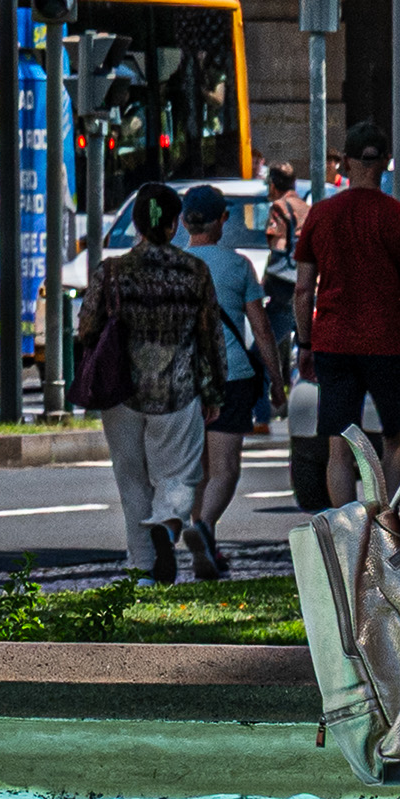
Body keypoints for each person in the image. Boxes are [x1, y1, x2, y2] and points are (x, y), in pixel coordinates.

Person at [81, 186, 227, 578]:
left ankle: (143, 567)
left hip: (122, 392)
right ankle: (167, 523)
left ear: (137, 223)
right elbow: (210, 335)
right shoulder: (195, 271)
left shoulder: (112, 271)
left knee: (131, 483)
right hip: (178, 391)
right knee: (179, 475)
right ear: (176, 222)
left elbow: (86, 328)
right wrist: (214, 390)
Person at [299, 122, 400, 466]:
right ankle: (388, 518)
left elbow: (303, 290)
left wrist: (304, 345)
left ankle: (345, 518)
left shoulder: (321, 214)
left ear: (346, 163)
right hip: (388, 343)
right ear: (387, 162)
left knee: (340, 442)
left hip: (333, 342)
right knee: (396, 436)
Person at [185, 183, 270, 559]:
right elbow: (263, 330)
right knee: (226, 469)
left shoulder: (175, 265)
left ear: (186, 222)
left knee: (198, 470)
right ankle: (202, 528)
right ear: (222, 220)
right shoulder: (238, 266)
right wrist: (278, 382)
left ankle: (207, 545)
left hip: (184, 380)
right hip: (231, 377)